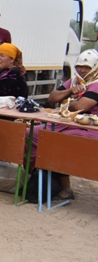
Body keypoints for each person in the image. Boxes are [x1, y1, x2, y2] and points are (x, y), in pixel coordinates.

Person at [38, 49, 98, 199]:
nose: (82, 70)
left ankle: (65, 188)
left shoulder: (96, 84)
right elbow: (52, 98)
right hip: (68, 122)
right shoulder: (73, 82)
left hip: (89, 126)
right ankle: (38, 179)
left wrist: (66, 101)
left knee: (61, 142)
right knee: (33, 134)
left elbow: (80, 107)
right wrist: (70, 91)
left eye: (87, 68)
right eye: (79, 66)